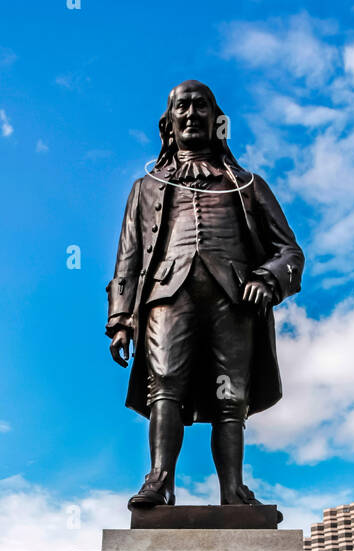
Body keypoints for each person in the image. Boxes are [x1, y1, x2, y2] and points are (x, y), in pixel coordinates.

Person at [106, 80, 305, 509]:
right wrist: (122, 318)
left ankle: (233, 490)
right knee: (164, 385)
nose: (192, 113)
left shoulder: (248, 185)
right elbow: (129, 257)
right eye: (182, 107)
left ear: (218, 122)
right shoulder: (146, 188)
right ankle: (160, 480)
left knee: (231, 395)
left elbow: (289, 252)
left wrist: (267, 279)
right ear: (169, 123)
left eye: (201, 106)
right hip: (166, 295)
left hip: (233, 299)